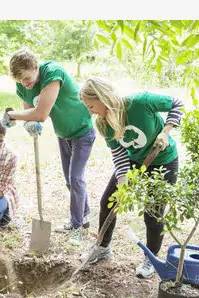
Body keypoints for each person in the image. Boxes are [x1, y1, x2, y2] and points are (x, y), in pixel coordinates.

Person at [78, 76, 184, 278]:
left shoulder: (140, 103)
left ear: (103, 98)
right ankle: (102, 247)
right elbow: (119, 154)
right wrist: (122, 181)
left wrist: (165, 131)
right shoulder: (104, 124)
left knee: (153, 214)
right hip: (134, 162)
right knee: (108, 201)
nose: (90, 112)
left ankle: (151, 258)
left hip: (163, 161)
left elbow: (177, 103)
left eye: (91, 106)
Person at [3, 48, 95, 245]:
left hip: (83, 130)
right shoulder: (23, 86)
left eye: (27, 78)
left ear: (36, 67)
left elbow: (41, 114)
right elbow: (30, 113)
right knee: (70, 181)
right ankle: (84, 217)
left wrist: (13, 115)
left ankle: (76, 226)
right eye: (19, 80)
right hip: (64, 134)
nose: (24, 83)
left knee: (76, 179)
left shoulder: (53, 72)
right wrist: (30, 125)